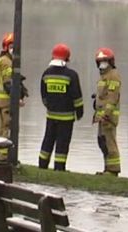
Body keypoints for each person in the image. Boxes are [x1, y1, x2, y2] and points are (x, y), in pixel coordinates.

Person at [38, 43, 83, 171]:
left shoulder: (46, 74)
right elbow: (77, 97)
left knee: (48, 140)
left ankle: (42, 165)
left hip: (51, 115)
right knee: (62, 143)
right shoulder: (71, 75)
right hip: (66, 117)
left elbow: (43, 95)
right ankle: (59, 168)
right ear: (67, 58)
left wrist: (50, 107)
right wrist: (79, 112)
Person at [92, 47, 122, 175]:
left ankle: (113, 170)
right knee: (102, 142)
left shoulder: (113, 76)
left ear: (110, 62)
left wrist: (106, 114)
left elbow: (112, 97)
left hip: (108, 117)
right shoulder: (103, 77)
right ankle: (107, 168)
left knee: (110, 143)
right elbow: (102, 96)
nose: (102, 64)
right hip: (101, 116)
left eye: (104, 61)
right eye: (100, 61)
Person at [0, 33, 14, 162]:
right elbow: (8, 84)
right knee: (7, 128)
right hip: (6, 101)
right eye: (12, 46)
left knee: (1, 129)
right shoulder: (7, 62)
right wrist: (17, 98)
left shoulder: (0, 60)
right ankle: (4, 156)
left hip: (0, 101)